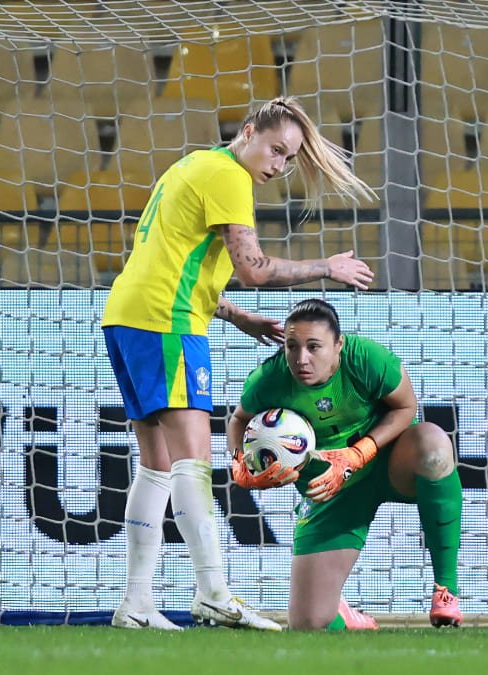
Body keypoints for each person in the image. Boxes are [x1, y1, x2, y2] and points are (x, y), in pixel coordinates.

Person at [102, 96, 376, 631]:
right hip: (167, 322)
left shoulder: (192, 164)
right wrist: (329, 266)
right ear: (248, 132)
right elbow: (251, 267)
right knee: (193, 461)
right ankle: (214, 593)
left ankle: (135, 603)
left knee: (156, 464)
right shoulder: (230, 178)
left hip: (127, 315)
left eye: (289, 158)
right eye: (275, 150)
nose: (278, 165)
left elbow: (174, 260)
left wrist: (235, 316)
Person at [226, 299, 464, 631]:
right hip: (330, 489)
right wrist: (240, 465)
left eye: (313, 347)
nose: (301, 359)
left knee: (433, 445)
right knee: (308, 623)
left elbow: (406, 406)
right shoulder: (270, 379)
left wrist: (358, 453)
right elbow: (239, 420)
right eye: (292, 346)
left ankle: (446, 590)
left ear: (339, 345)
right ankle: (345, 616)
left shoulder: (368, 359)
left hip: (386, 461)